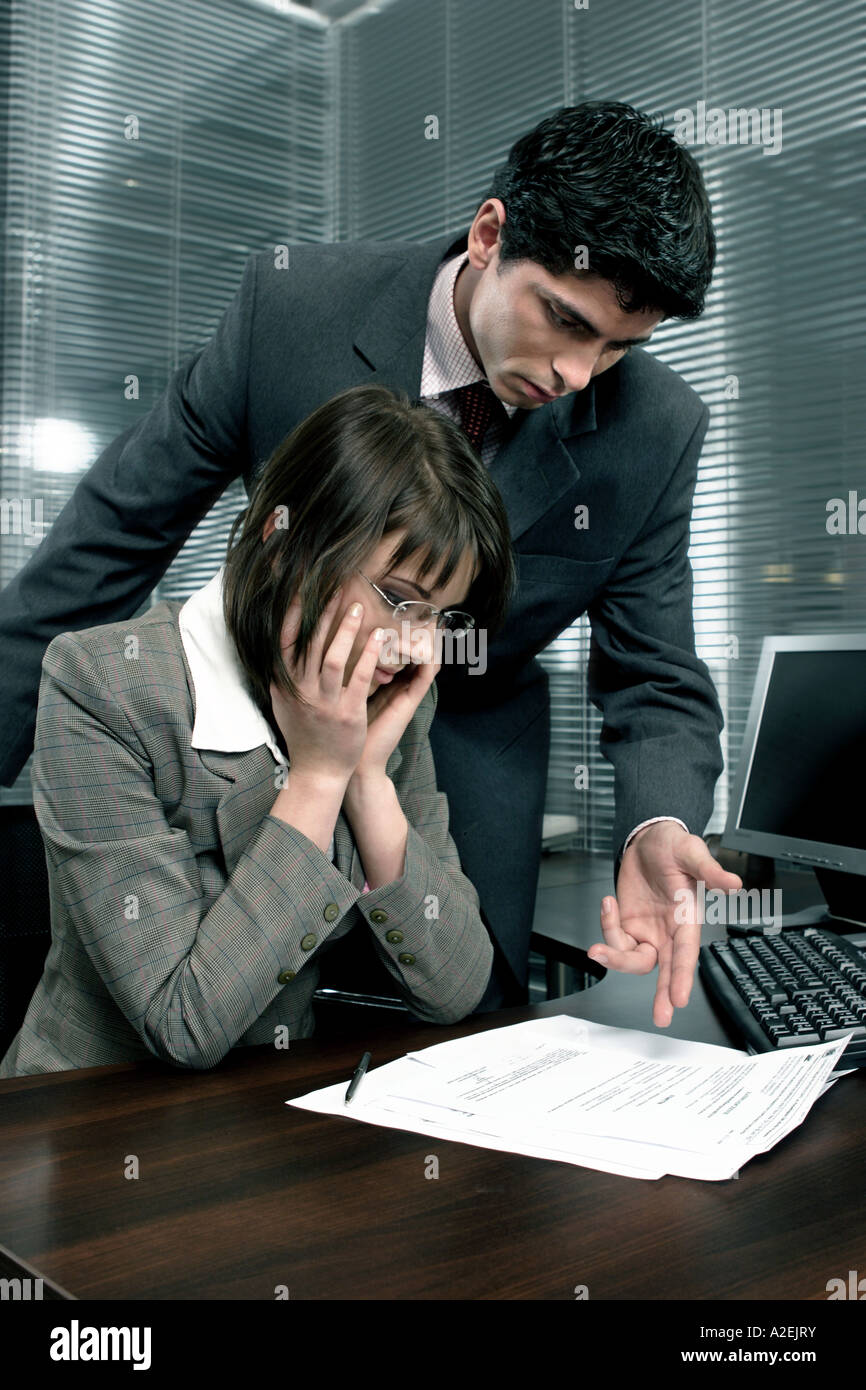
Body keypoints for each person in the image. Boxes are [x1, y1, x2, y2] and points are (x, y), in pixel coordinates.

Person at [0, 101, 741, 1028]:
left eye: (619, 348)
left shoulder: (655, 429)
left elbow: (657, 672)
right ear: (489, 234)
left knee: (465, 1033)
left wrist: (659, 824)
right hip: (259, 746)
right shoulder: (294, 312)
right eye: (563, 320)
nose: (577, 375)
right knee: (223, 1016)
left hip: (463, 768)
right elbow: (109, 542)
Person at [0, 385, 515, 1076]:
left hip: (266, 1127)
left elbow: (456, 986)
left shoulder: (391, 702)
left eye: (442, 618)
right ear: (282, 544)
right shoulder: (102, 685)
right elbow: (181, 1020)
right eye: (398, 599)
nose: (415, 645)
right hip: (87, 1128)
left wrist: (365, 779)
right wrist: (319, 775)